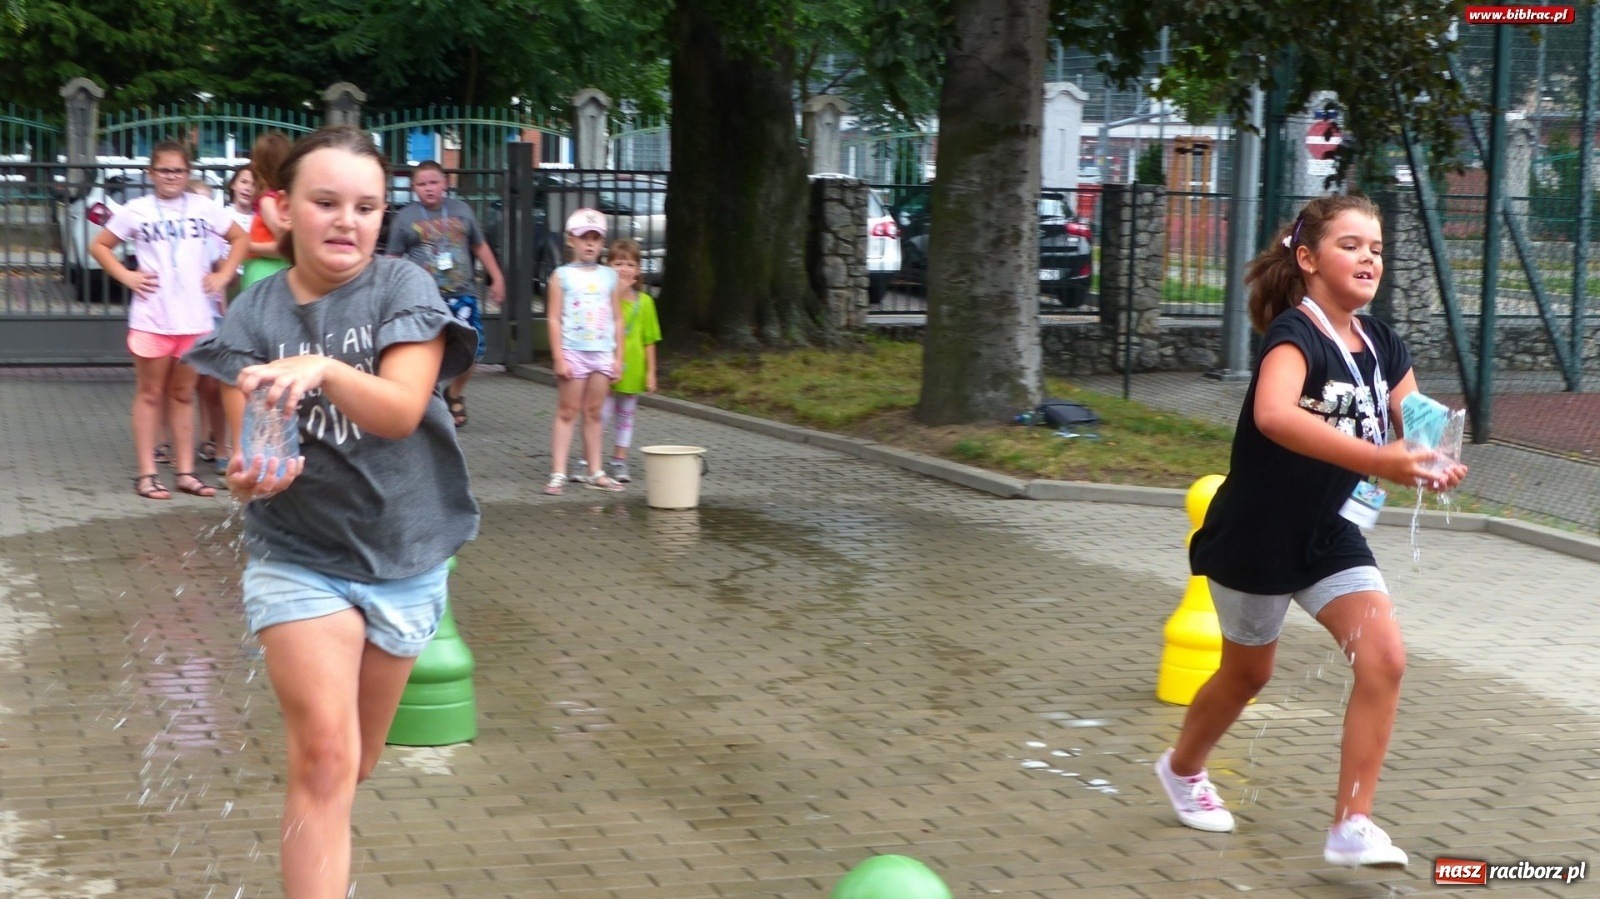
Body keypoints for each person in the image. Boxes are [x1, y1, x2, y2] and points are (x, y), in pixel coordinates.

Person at [184, 126, 480, 899]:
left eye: (366, 205)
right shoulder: (252, 314)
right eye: (326, 202)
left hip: (408, 556)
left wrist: (323, 368)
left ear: (384, 217)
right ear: (282, 210)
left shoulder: (401, 288)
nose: (346, 219)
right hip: (299, 558)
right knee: (322, 755)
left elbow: (399, 409)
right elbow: (249, 448)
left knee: (355, 762)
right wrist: (249, 479)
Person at [1153, 195, 1467, 869]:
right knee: (1246, 675)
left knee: (1384, 657)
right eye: (1350, 245)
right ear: (1308, 259)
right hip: (1257, 537)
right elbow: (1273, 415)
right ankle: (1182, 768)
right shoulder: (1294, 335)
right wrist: (1379, 458)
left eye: (1376, 248)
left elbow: (1412, 423)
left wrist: (1431, 458)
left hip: (1331, 537)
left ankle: (1352, 823)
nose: (1368, 259)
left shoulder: (1383, 343)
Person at [90, 141, 248, 500]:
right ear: (151, 174)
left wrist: (222, 276)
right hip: (153, 318)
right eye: (164, 170)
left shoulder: (204, 207)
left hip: (194, 320)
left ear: (188, 173)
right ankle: (147, 473)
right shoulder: (137, 210)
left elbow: (240, 238)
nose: (171, 177)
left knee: (181, 396)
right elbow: (99, 246)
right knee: (150, 395)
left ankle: (186, 472)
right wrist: (126, 276)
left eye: (178, 170)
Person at [383, 160, 506, 427]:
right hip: (425, 298)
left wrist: (496, 277)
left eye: (434, 182)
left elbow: (480, 246)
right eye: (422, 184)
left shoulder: (462, 210)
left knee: (473, 349)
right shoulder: (405, 218)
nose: (429, 188)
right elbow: (392, 259)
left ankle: (454, 392)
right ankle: (429, 403)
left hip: (464, 294)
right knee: (428, 353)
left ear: (445, 183)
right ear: (414, 187)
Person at [543, 208, 625, 495]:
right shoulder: (561, 276)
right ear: (571, 241)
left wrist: (619, 357)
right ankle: (559, 472)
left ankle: (595, 470)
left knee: (594, 412)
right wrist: (559, 356)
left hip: (602, 352)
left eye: (596, 238)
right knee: (568, 411)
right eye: (583, 238)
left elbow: (617, 317)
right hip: (574, 352)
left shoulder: (609, 277)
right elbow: (553, 317)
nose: (590, 244)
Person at [600, 238, 660, 484]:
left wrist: (651, 372)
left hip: (633, 369)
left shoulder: (646, 303)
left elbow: (650, 340)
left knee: (626, 416)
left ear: (637, 270)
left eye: (629, 264)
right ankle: (588, 459)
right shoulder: (602, 298)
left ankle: (619, 460)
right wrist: (619, 292)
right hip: (605, 365)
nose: (623, 269)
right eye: (617, 264)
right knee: (599, 414)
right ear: (607, 267)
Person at [185, 177, 231, 473]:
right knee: (186, 385)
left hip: (210, 315)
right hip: (179, 319)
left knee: (214, 383)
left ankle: (221, 446)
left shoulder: (213, 238)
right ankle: (190, 443)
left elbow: (219, 273)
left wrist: (223, 304)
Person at [239, 131, 292, 290]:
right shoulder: (290, 198)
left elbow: (285, 247)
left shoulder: (268, 201)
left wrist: (247, 246)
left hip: (265, 270)